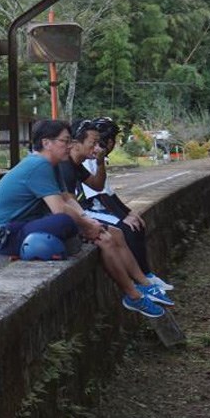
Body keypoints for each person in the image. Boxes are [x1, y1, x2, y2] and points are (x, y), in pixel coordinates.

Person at [0, 118, 167, 318]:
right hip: (7, 233)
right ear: (47, 143)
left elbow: (68, 200)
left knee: (109, 234)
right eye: (65, 141)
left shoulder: (52, 164)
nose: (70, 145)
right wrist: (85, 224)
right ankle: (134, 294)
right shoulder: (39, 165)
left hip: (28, 224)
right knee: (67, 222)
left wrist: (89, 221)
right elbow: (59, 209)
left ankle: (137, 292)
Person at [80, 116, 174, 293]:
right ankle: (141, 281)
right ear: (108, 142)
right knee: (126, 228)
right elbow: (98, 197)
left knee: (136, 224)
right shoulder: (88, 160)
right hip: (87, 208)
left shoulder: (97, 160)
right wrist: (123, 217)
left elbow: (108, 193)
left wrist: (129, 212)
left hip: (96, 205)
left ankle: (147, 275)